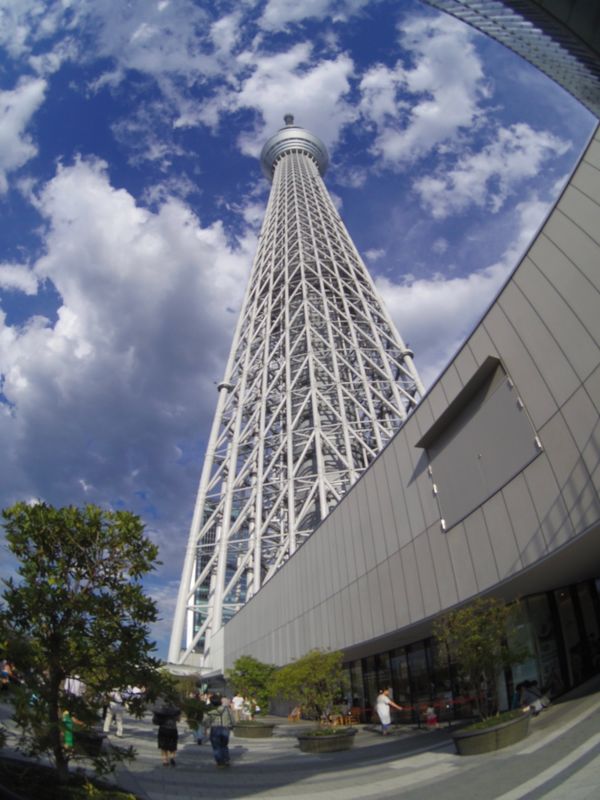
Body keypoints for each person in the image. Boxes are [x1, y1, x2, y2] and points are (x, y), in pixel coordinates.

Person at [206, 694, 234, 767]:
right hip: (225, 728)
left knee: (216, 746)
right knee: (224, 745)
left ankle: (220, 761)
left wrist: (206, 726)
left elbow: (206, 720)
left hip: (215, 728)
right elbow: (232, 718)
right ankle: (226, 759)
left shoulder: (210, 710)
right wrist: (232, 725)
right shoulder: (227, 709)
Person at [153, 698, 181, 766]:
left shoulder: (161, 709)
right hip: (173, 729)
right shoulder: (176, 710)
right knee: (173, 745)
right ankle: (172, 757)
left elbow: (155, 720)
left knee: (163, 746)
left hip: (163, 728)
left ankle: (165, 760)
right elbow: (178, 719)